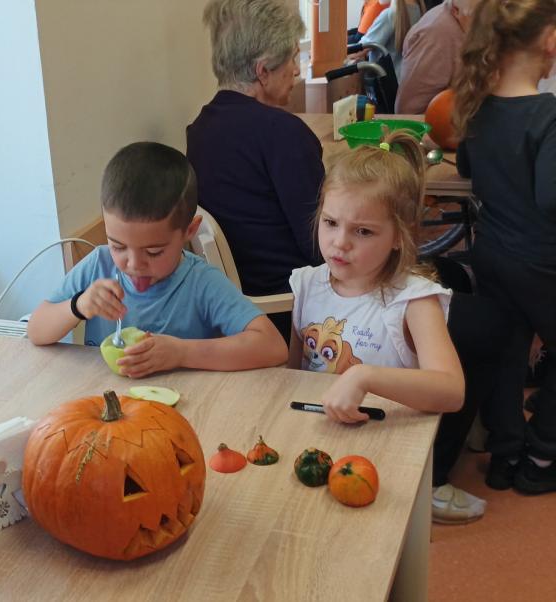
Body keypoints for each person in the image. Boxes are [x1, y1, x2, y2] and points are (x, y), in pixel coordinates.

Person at [288, 131, 479, 521]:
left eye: (363, 231)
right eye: (331, 222)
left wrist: (365, 376)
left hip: (386, 457)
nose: (340, 242)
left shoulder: (414, 300)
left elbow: (452, 390)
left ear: (399, 235)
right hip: (318, 446)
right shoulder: (306, 284)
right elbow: (293, 377)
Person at [26, 142, 289, 377]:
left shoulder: (202, 282)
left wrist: (182, 353)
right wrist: (78, 305)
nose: (133, 264)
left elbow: (273, 347)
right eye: (118, 246)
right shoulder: (98, 265)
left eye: (153, 252)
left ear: (189, 231)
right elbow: (36, 331)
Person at [453, 0, 556, 494]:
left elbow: (466, 168)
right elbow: (551, 198)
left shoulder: (480, 107)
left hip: (491, 253)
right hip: (540, 263)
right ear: (550, 41)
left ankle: (505, 454)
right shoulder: (548, 115)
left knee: (508, 355)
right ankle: (542, 456)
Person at [186, 0, 324, 344]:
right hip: (293, 312)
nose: (296, 70)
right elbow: (321, 244)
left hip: (231, 309)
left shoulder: (199, 129)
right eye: (292, 59)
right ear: (262, 71)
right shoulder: (284, 133)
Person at [395, 0, 477, 114]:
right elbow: (409, 111)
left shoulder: (466, 23)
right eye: (478, 17)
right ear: (456, 11)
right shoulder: (440, 33)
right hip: (433, 121)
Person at [357, 0, 427, 79]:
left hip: (386, 81)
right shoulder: (420, 11)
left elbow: (359, 50)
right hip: (407, 79)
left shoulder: (389, 15)